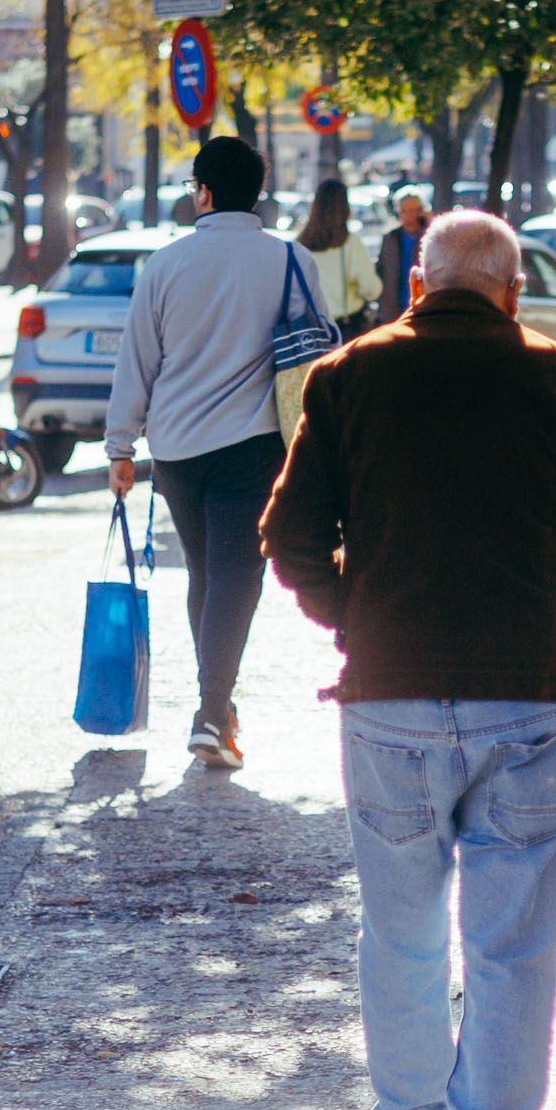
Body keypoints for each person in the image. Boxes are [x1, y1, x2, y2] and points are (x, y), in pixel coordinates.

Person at [260, 210, 556, 1110]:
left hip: (387, 697)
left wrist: (356, 616)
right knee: (512, 942)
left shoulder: (347, 378)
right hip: (524, 699)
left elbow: (289, 535)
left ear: (417, 288)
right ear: (513, 293)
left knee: (398, 931)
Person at [104, 135, 324, 768]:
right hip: (253, 445)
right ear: (257, 191)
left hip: (174, 448)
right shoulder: (289, 260)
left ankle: (216, 708)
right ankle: (210, 714)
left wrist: (122, 445)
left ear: (202, 190)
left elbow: (136, 360)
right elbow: (317, 351)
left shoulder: (166, 265)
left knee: (207, 571)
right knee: (235, 574)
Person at [295, 178, 381, 340]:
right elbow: (371, 289)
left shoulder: (299, 245)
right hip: (346, 329)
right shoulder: (349, 244)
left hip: (309, 332)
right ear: (345, 207)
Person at [372, 187, 430, 325]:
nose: (409, 215)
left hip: (421, 310)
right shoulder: (390, 238)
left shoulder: (429, 237)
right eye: (404, 211)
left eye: (413, 210)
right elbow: (380, 271)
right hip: (392, 312)